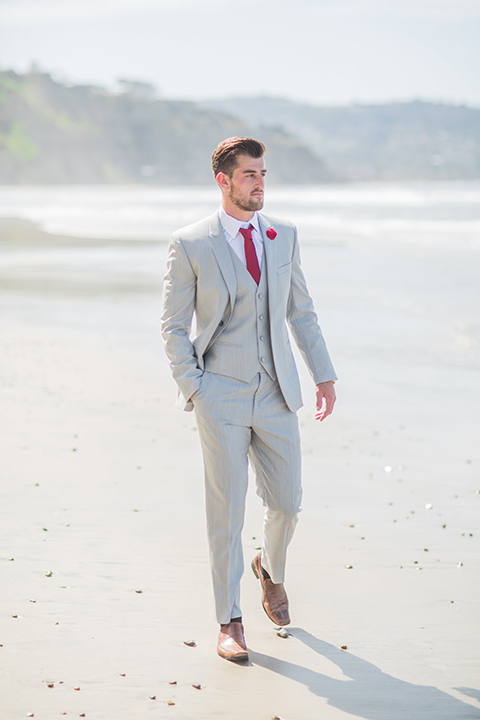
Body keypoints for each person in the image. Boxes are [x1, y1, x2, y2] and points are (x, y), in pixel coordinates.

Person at [161, 137, 337, 662]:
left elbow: (300, 312)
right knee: (227, 511)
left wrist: (323, 376)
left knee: (286, 503)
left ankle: (271, 570)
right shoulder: (191, 242)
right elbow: (172, 326)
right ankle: (229, 621)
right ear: (224, 180)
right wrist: (195, 385)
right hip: (221, 394)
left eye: (263, 174)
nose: (260, 183)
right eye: (249, 175)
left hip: (278, 391)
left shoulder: (284, 235)